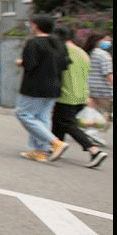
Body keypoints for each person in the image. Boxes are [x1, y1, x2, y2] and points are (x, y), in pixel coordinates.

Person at [15, 15, 71, 163]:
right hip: (54, 86)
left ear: (36, 26)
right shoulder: (59, 44)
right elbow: (65, 65)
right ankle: (41, 151)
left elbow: (30, 64)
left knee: (24, 114)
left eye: (31, 24)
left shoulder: (33, 43)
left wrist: (21, 62)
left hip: (34, 87)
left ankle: (55, 143)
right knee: (42, 118)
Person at [50, 26, 107, 168]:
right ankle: (56, 148)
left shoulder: (62, 51)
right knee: (59, 121)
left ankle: (94, 150)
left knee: (67, 123)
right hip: (81, 95)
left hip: (67, 94)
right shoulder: (82, 53)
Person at [83, 31, 113, 128]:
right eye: (107, 39)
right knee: (103, 113)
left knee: (93, 112)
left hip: (89, 88)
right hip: (104, 90)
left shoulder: (86, 53)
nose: (109, 41)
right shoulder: (104, 55)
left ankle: (92, 132)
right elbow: (108, 74)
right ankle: (96, 133)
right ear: (98, 41)